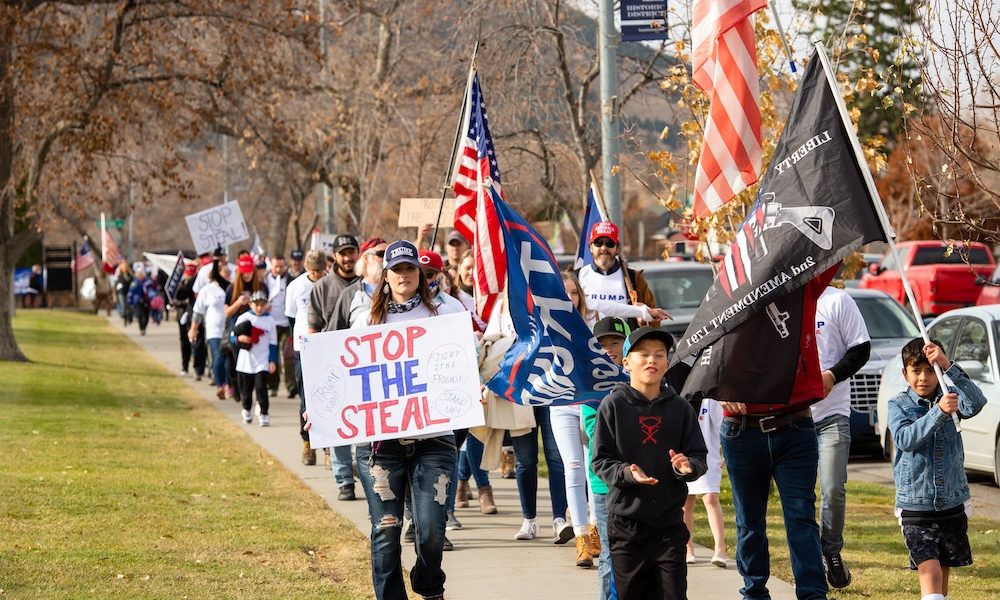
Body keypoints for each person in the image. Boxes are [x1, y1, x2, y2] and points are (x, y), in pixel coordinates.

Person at [347, 239, 464, 600]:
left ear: (420, 273)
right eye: (396, 270)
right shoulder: (366, 319)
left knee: (430, 529)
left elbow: (466, 363)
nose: (404, 275)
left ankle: (429, 585)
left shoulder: (446, 315)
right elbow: (348, 373)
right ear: (385, 275)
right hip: (381, 445)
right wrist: (320, 412)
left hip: (435, 438)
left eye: (410, 268)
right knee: (386, 531)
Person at [717, 272, 833, 600]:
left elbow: (833, 247)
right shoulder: (728, 298)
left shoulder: (802, 288)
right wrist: (718, 386)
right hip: (742, 431)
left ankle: (812, 594)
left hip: (794, 427)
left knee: (800, 516)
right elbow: (704, 354)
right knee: (749, 521)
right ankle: (754, 593)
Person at [592, 326, 708, 600]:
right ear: (626, 362)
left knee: (673, 594)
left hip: (668, 523)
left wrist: (687, 467)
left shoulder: (679, 407)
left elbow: (698, 455)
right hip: (627, 524)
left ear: (667, 364)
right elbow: (600, 460)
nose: (651, 360)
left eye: (659, 355)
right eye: (643, 354)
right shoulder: (613, 405)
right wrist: (626, 473)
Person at [888, 339, 987, 600]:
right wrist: (938, 413)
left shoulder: (950, 397)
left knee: (942, 576)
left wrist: (946, 364)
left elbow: (976, 402)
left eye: (931, 370)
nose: (923, 377)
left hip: (951, 503)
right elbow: (905, 439)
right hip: (915, 506)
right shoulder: (898, 405)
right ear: (905, 373)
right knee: (929, 571)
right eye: (916, 371)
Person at [812, 284, 872, 588]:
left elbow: (861, 348)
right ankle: (809, 559)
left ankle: (831, 551)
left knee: (833, 488)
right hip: (792, 418)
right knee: (799, 498)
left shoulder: (837, 300)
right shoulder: (785, 299)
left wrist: (832, 375)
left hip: (832, 414)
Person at [551, 272, 601, 567]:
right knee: (572, 466)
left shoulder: (592, 325)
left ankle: (595, 528)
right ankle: (580, 535)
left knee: (593, 465)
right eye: (563, 293)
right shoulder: (547, 328)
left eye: (573, 293)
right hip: (561, 405)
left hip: (591, 405)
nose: (569, 298)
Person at [307, 234, 362, 496]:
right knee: (340, 424)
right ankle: (344, 480)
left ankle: (364, 470)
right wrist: (316, 366)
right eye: (343, 253)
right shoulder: (322, 287)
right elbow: (314, 328)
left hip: (363, 363)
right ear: (335, 256)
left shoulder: (369, 286)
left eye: (352, 252)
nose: (348, 258)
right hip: (333, 364)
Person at [584, 316, 630, 600]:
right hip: (605, 485)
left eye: (616, 342)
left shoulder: (642, 379)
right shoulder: (591, 387)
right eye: (602, 344)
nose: (610, 348)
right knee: (610, 556)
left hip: (641, 482)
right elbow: (594, 431)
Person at [576, 221, 669, 330]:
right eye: (598, 243)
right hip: (587, 344)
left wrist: (643, 320)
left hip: (624, 344)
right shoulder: (578, 277)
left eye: (609, 243)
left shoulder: (633, 279)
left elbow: (654, 322)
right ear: (591, 247)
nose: (603, 248)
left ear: (617, 248)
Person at [285, 249, 327, 465]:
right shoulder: (296, 286)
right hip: (304, 347)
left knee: (328, 394)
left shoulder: (329, 284)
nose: (316, 274)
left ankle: (329, 447)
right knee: (306, 397)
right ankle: (308, 443)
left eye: (320, 270)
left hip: (327, 346)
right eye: (312, 271)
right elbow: (291, 316)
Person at [682, 396, 728, 568]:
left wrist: (725, 451)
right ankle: (688, 548)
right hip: (684, 453)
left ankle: (720, 548)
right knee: (686, 502)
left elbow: (722, 425)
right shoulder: (679, 392)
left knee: (710, 497)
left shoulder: (710, 399)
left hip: (709, 452)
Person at [232, 290, 278, 426]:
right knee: (246, 389)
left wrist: (272, 360)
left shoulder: (270, 321)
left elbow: (273, 343)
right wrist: (240, 338)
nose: (259, 308)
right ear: (251, 304)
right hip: (246, 361)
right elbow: (233, 336)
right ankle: (246, 409)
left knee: (261, 387)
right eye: (256, 305)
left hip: (262, 360)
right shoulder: (244, 318)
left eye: (262, 305)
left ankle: (264, 413)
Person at [189, 261, 231, 400]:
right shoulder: (207, 290)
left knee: (229, 358)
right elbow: (198, 311)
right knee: (218, 356)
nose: (228, 275)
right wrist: (193, 329)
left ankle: (229, 384)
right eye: (225, 273)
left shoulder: (231, 288)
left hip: (229, 329)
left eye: (229, 273)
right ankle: (221, 385)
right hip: (214, 330)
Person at [264, 255, 293, 397]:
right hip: (269, 323)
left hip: (285, 322)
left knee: (288, 354)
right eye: (276, 266)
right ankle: (273, 385)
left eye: (281, 266)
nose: (278, 269)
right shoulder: (264, 280)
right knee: (272, 356)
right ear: (271, 265)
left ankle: (291, 386)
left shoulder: (290, 280)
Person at [172, 261, 202, 377]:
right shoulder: (181, 284)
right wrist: (183, 302)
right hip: (182, 316)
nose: (188, 276)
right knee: (184, 342)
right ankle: (185, 366)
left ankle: (198, 366)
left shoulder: (196, 283)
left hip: (193, 316)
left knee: (196, 342)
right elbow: (175, 299)